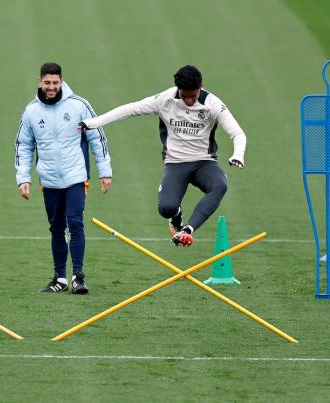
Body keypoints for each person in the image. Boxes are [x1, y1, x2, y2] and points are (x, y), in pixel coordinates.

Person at [78, 65, 246, 247]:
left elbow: (237, 134)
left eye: (193, 96)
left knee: (220, 185)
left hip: (204, 162)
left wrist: (238, 155)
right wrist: (92, 123)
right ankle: (176, 216)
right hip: (175, 163)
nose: (189, 101)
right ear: (178, 89)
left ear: (201, 87)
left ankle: (187, 230)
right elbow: (129, 109)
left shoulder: (213, 104)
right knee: (166, 208)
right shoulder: (165, 100)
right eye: (184, 96)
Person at [15, 62, 112, 294]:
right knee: (56, 227)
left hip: (76, 176)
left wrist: (105, 171)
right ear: (40, 82)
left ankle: (78, 277)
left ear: (62, 81)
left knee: (75, 223)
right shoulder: (31, 111)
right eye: (47, 83)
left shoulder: (79, 105)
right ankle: (60, 278)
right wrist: (23, 178)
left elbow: (97, 137)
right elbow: (23, 145)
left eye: (55, 83)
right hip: (48, 179)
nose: (51, 87)